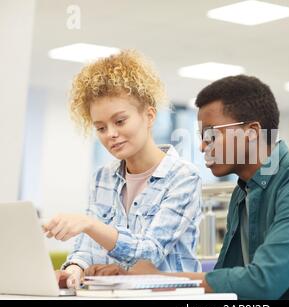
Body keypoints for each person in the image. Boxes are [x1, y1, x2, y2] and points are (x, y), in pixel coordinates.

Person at [84, 75, 289, 300]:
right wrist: (128, 277)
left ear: (252, 133)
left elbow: (261, 284)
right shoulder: (245, 191)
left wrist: (155, 279)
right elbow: (227, 279)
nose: (202, 146)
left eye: (211, 134)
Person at [42, 50, 203, 289]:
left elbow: (149, 253)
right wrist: (74, 268)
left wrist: (90, 224)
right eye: (101, 128)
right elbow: (86, 248)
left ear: (149, 116)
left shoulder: (183, 177)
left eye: (119, 121)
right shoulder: (102, 178)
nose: (111, 135)